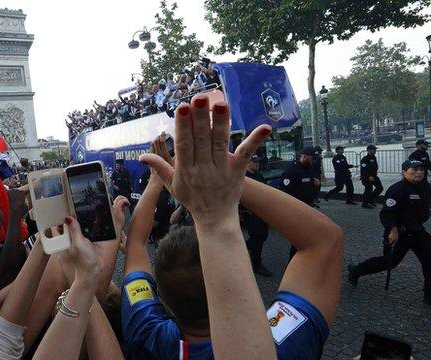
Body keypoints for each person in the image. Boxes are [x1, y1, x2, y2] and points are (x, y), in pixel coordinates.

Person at [131, 95, 344, 359]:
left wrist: (160, 179)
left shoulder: (145, 331)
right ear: (242, 278)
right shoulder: (279, 343)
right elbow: (325, 241)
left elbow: (136, 245)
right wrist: (219, 189)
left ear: (160, 295)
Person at [348, 160, 431, 305]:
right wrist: (393, 230)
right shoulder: (397, 189)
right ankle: (356, 271)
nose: (419, 172)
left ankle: (429, 295)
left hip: (417, 231)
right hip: (399, 232)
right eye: (415, 169)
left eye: (422, 170)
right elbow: (387, 213)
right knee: (389, 262)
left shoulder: (424, 187)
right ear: (404, 172)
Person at [280, 146, 319, 258]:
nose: (314, 160)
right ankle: (293, 261)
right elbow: (284, 192)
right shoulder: (292, 171)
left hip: (308, 207)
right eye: (313, 158)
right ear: (305, 156)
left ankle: (304, 257)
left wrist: (317, 185)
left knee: (307, 235)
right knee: (298, 237)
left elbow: (313, 188)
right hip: (297, 209)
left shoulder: (310, 169)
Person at [242, 155, 272, 276]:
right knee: (257, 237)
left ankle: (242, 249)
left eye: (258, 163)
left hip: (261, 211)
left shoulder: (259, 176)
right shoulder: (243, 177)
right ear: (248, 163)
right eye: (255, 162)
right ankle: (256, 264)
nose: (258, 165)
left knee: (262, 236)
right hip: (250, 213)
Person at [360, 144, 383, 209]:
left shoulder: (373, 157)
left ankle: (370, 200)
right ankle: (365, 203)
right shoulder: (364, 159)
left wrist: (374, 175)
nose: (375, 151)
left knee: (380, 188)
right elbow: (364, 169)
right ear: (369, 150)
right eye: (373, 149)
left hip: (374, 176)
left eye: (375, 149)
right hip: (366, 177)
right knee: (368, 190)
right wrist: (369, 176)